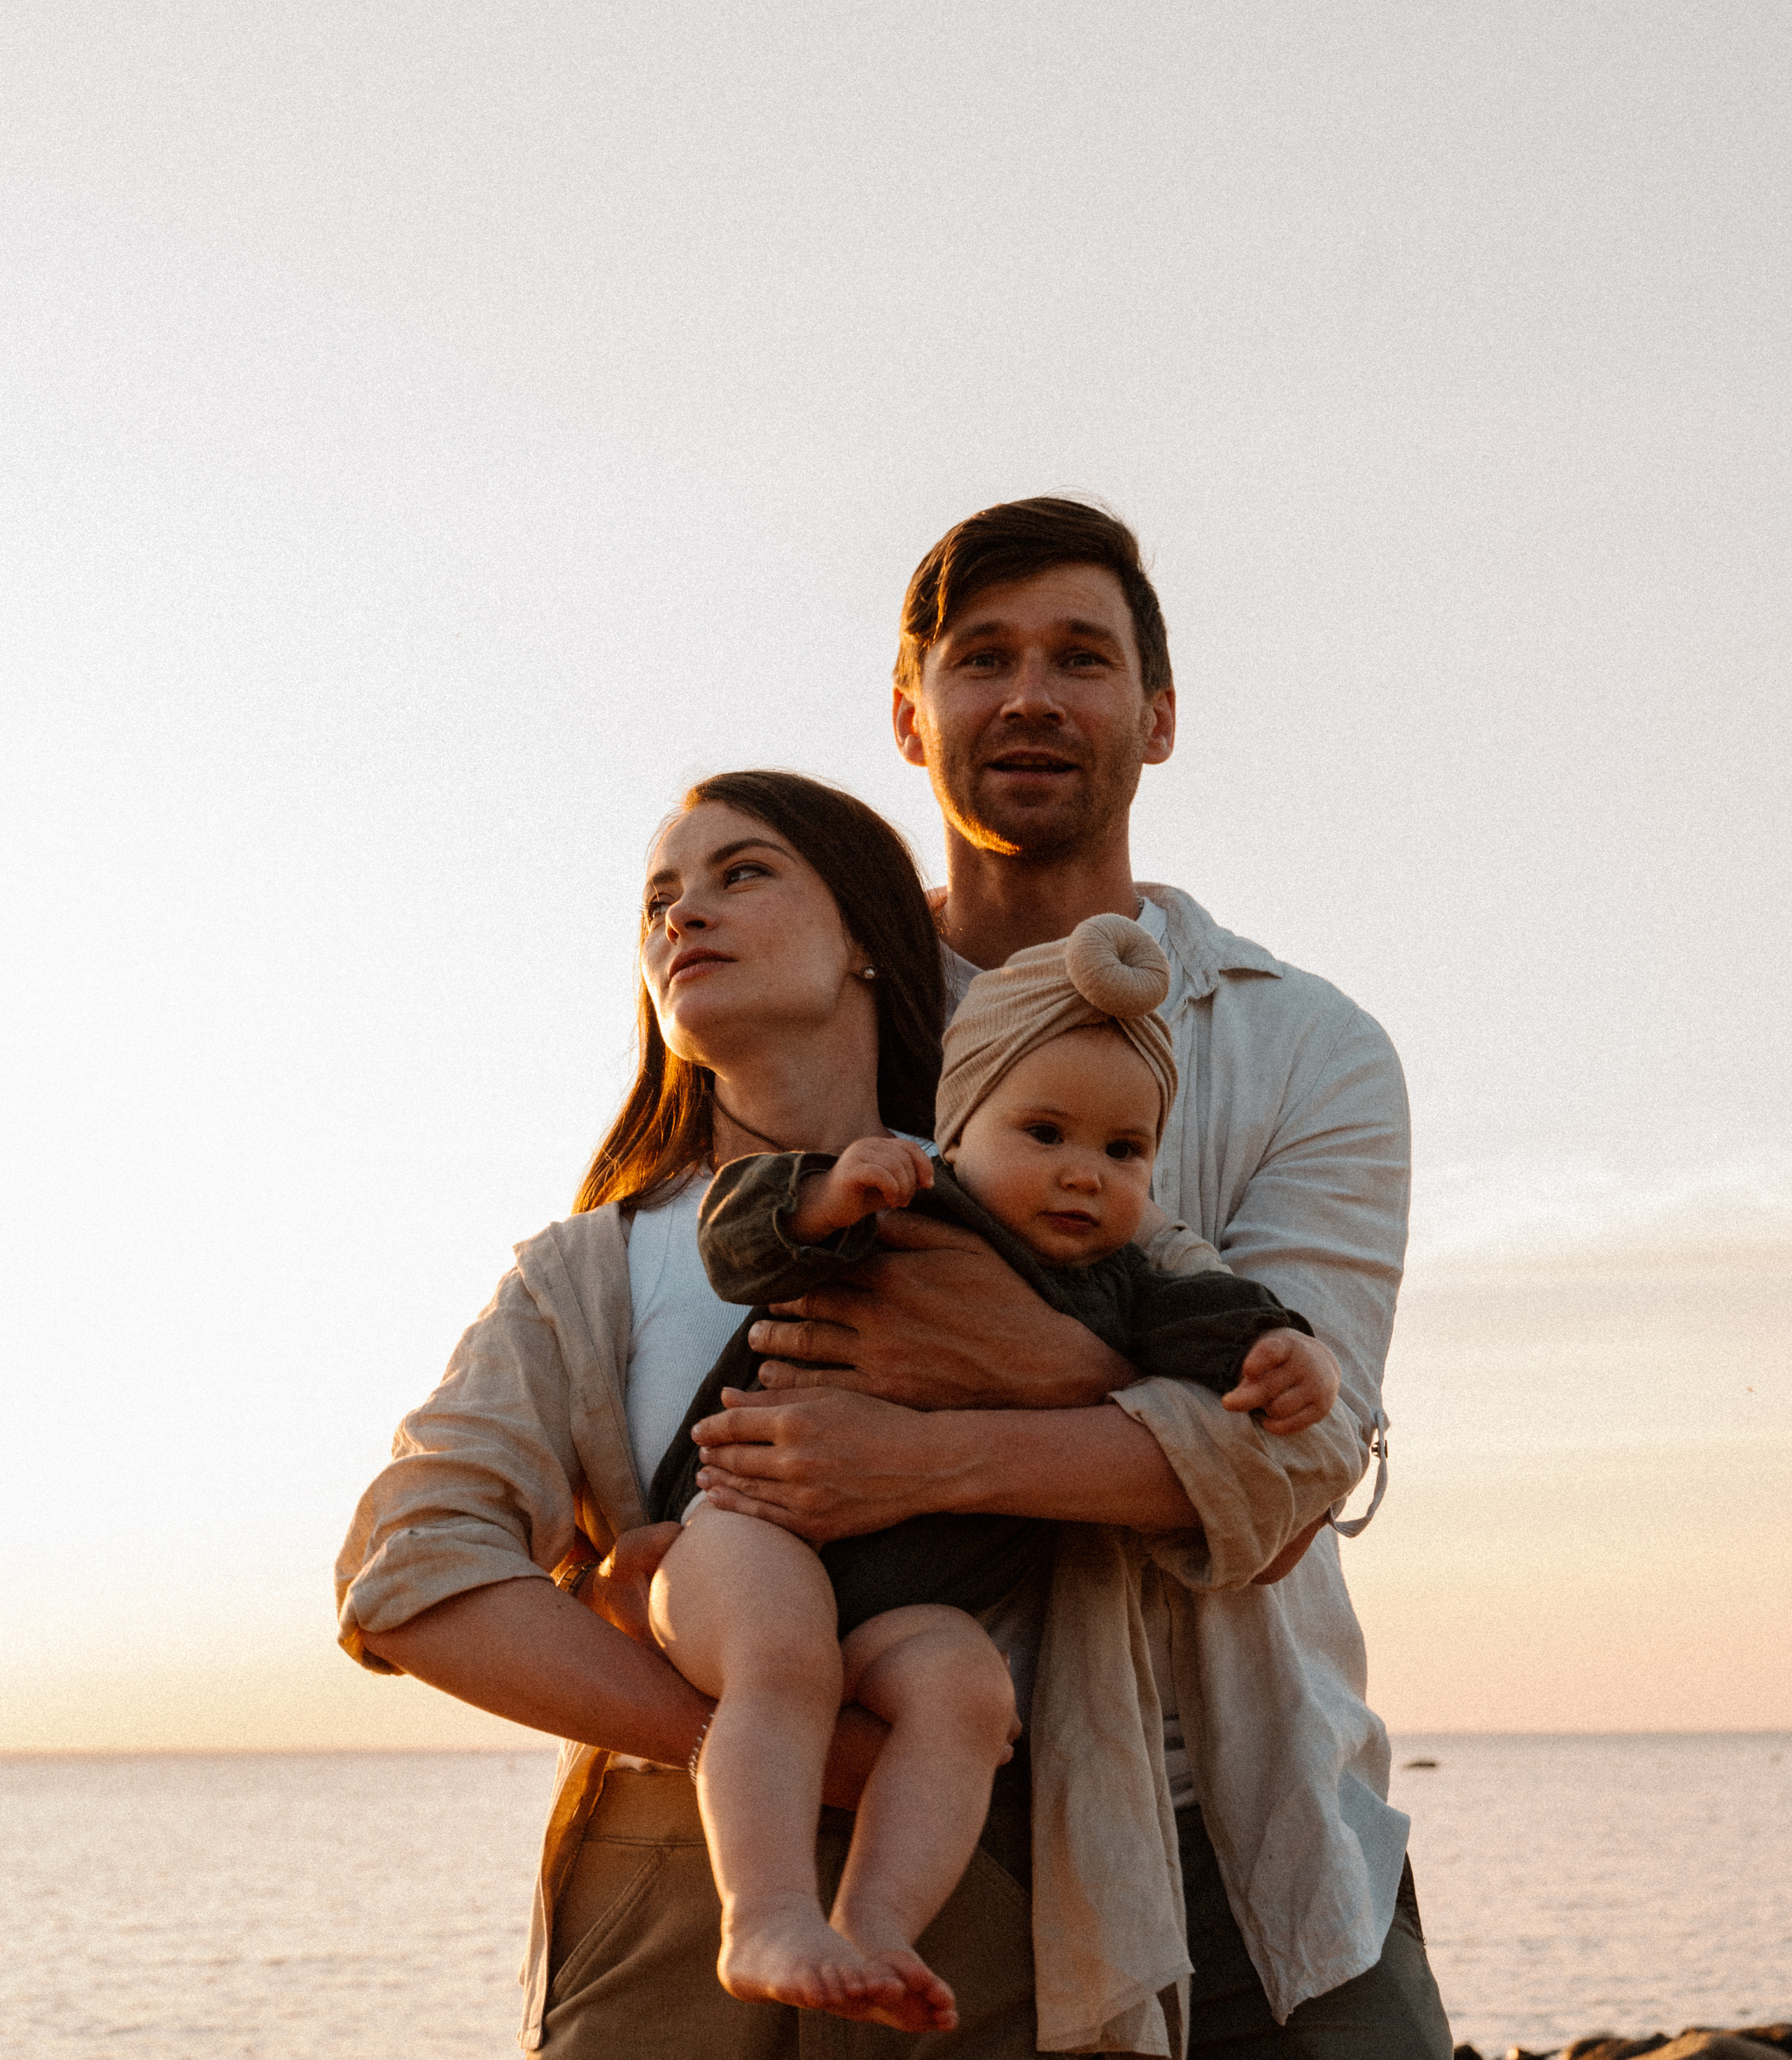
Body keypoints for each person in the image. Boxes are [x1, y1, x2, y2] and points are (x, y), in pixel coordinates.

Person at [336, 769, 1350, 2059]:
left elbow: (1283, 1484)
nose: (684, 915)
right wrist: (785, 1743)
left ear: (874, 936)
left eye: (741, 873)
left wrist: (1028, 1392)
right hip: (669, 1882)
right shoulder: (587, 1272)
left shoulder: (1042, 1199)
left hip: (974, 1873)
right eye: (658, 897)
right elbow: (409, 1572)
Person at [683, 498, 1457, 2060]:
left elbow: (1301, 1450)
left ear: (1155, 715)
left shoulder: (1307, 1045)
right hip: (901, 1815)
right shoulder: (806, 1010)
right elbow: (670, 1350)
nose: (1028, 694)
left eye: (1080, 658)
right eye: (981, 659)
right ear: (909, 715)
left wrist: (942, 1428)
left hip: (1250, 1811)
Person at [640, 914, 1340, 2033]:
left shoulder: (1129, 1285)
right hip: (747, 1530)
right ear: (959, 1127)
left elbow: (1229, 1341)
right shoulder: (902, 1200)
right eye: (1046, 1132)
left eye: (1123, 1151)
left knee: (969, 1696)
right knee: (783, 1657)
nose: (1084, 1175)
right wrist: (830, 1194)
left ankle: (875, 1930)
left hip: (905, 1610)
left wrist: (1290, 1354)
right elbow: (737, 1239)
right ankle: (766, 1914)